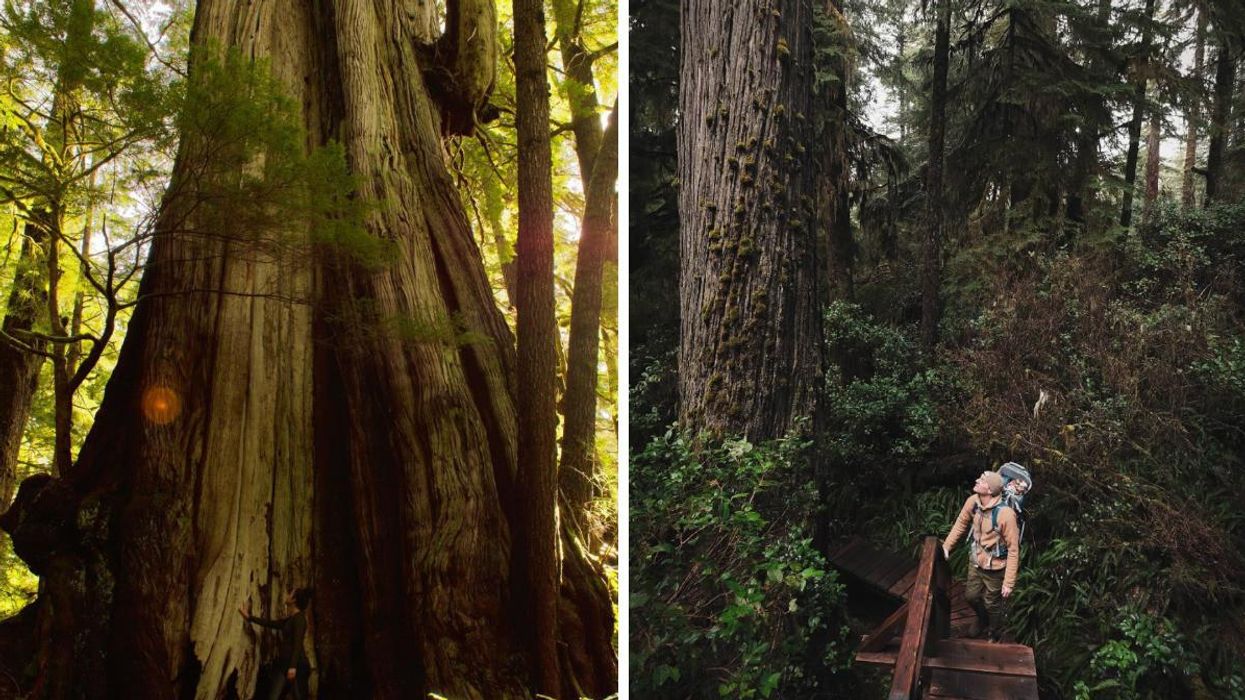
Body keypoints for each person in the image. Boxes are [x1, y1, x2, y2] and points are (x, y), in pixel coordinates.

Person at [942, 470, 1020, 642]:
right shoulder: (973, 502)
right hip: (977, 560)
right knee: (971, 596)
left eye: (982, 480)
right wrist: (947, 546)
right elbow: (961, 523)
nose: (977, 480)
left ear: (990, 490)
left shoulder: (1006, 515)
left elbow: (1013, 550)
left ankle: (994, 630)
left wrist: (1008, 582)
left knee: (991, 603)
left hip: (996, 566)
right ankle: (983, 620)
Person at [240, 587, 312, 700]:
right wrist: (249, 617)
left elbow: (297, 644)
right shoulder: (291, 619)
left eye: (290, 593)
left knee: (299, 697)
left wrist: (293, 667)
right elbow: (270, 623)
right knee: (273, 697)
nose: (287, 595)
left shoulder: (300, 619)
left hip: (297, 665)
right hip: (283, 664)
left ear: (294, 600)